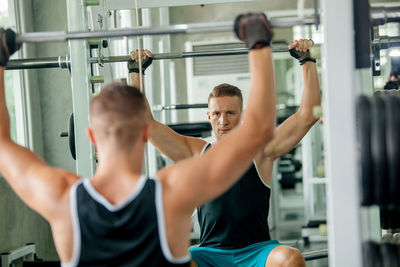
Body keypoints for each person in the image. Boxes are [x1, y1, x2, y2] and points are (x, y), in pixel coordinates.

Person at [0, 13, 276, 267]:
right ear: (146, 134)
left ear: (92, 136)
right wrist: (258, 43)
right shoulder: (172, 193)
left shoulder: (62, 197)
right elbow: (258, 130)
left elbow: (1, 144)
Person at [129, 37, 321, 266]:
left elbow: (308, 115)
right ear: (209, 116)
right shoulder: (195, 152)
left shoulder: (260, 150)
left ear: (243, 115)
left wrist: (306, 61)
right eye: (217, 114)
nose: (223, 121)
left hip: (257, 252)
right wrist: (136, 72)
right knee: (168, 259)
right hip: (210, 254)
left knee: (291, 258)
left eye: (231, 113)